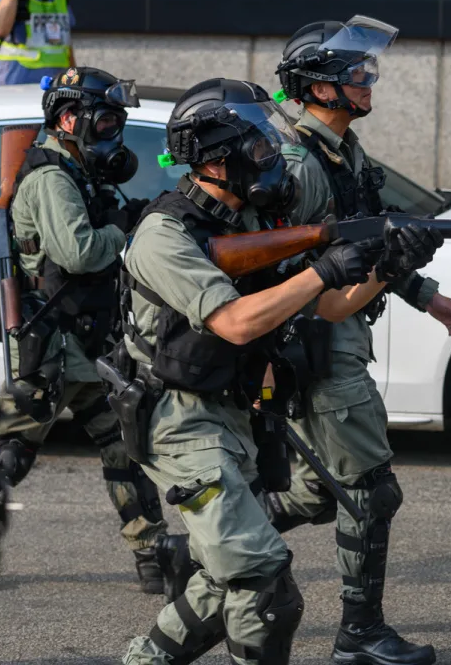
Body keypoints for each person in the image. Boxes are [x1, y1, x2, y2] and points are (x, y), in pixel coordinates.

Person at [119, 77, 390, 665]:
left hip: (235, 412)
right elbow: (238, 323)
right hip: (179, 421)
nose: (273, 155)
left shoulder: (246, 226)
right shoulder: (163, 235)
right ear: (217, 159)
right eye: (260, 145)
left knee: (221, 582)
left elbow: (331, 307)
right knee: (264, 588)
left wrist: (387, 266)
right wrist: (322, 269)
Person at [261, 16, 451, 665]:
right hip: (321, 345)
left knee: (325, 489)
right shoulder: (302, 165)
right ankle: (359, 635)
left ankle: (213, 542)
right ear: (318, 87)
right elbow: (317, 289)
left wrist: (425, 292)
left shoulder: (342, 155)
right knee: (372, 490)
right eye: (355, 70)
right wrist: (392, 265)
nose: (367, 77)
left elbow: (369, 242)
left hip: (346, 334)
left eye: (366, 68)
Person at [0, 66, 167, 595]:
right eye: (105, 121)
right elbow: (79, 252)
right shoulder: (51, 179)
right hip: (54, 345)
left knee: (127, 449)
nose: (114, 133)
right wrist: (123, 229)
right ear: (68, 119)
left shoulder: (82, 174)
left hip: (89, 341)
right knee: (11, 454)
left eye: (116, 122)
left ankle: (153, 555)